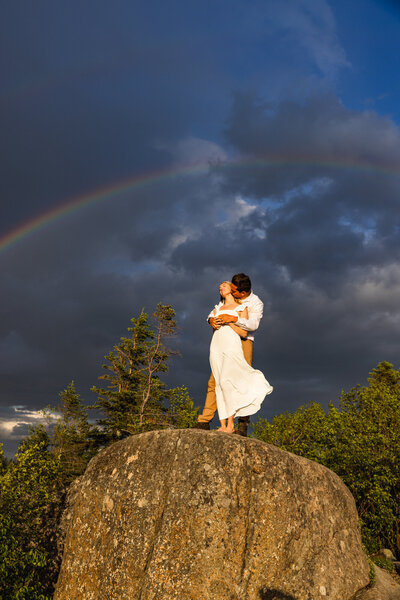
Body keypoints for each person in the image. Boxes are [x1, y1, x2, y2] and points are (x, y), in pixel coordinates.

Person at [195, 273, 267, 436]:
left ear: (242, 293)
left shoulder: (255, 302)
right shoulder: (225, 300)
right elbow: (213, 314)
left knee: (242, 380)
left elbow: (252, 325)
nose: (231, 292)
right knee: (215, 379)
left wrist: (232, 319)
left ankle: (242, 423)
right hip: (222, 341)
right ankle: (205, 420)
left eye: (234, 290)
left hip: (244, 341)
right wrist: (211, 320)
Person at [209, 281, 273, 433]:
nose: (220, 288)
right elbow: (212, 324)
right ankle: (223, 425)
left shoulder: (241, 308)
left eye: (223, 286)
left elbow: (244, 333)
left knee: (227, 381)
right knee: (218, 382)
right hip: (216, 345)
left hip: (232, 344)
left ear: (232, 289)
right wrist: (214, 322)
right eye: (219, 288)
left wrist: (228, 320)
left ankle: (231, 423)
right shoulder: (217, 308)